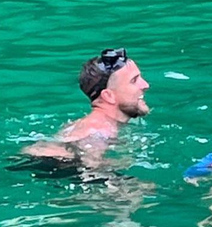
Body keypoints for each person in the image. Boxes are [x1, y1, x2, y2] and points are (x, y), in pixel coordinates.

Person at [21, 48, 150, 167]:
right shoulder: (101, 129)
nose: (145, 85)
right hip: (54, 165)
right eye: (134, 80)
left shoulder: (89, 124)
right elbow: (89, 169)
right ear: (108, 96)